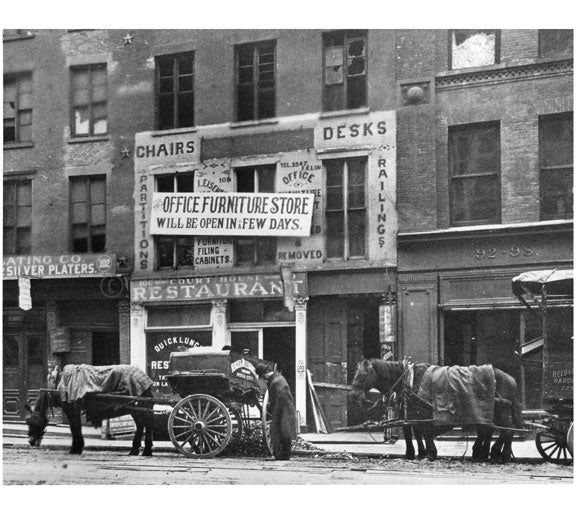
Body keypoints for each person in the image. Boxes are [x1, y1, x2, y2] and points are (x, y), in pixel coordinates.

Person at [256, 364, 297, 460]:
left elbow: (281, 397)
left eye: (262, 377)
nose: (264, 379)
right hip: (285, 408)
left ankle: (280, 455)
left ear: (265, 374)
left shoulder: (276, 381)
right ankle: (285, 455)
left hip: (283, 409)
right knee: (284, 432)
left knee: (277, 431)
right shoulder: (278, 378)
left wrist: (275, 414)